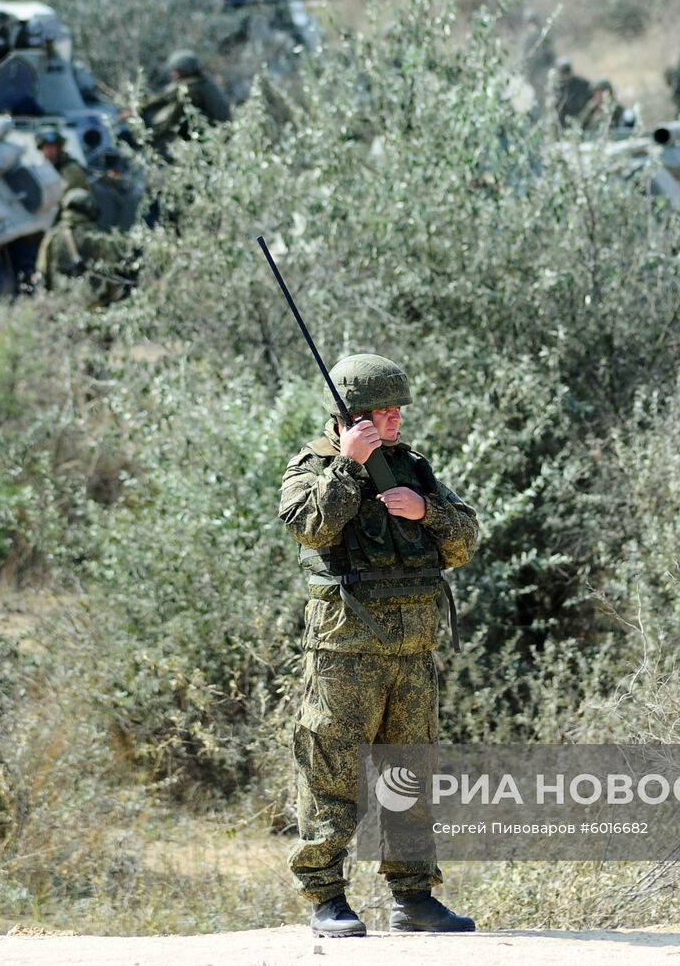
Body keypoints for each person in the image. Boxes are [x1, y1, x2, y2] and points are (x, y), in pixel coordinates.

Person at [278, 354, 480, 938]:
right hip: (345, 649)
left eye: (397, 410)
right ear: (350, 417)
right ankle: (326, 897)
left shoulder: (412, 469)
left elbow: (464, 539)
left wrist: (428, 511)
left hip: (412, 650)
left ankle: (413, 897)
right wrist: (348, 465)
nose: (394, 420)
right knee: (332, 772)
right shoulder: (312, 468)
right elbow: (311, 526)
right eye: (381, 412)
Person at [35, 188, 132, 301]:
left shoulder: (52, 237)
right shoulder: (95, 239)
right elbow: (115, 272)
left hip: (61, 304)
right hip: (92, 305)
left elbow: (42, 272)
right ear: (89, 210)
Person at [142, 50, 232, 150]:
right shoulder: (199, 81)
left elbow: (173, 121)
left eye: (175, 70)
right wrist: (140, 107)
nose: (172, 74)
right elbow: (165, 96)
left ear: (183, 71)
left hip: (213, 138)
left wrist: (148, 137)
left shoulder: (192, 91)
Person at [36, 129, 90, 194]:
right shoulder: (44, 169)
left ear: (60, 148)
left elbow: (68, 192)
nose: (49, 150)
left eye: (52, 147)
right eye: (46, 147)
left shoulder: (70, 168)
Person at [547, 57, 594, 128]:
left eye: (567, 72)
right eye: (563, 72)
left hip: (583, 123)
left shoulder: (582, 84)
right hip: (562, 126)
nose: (565, 76)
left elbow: (593, 94)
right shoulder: (555, 87)